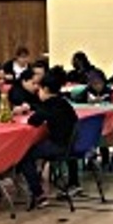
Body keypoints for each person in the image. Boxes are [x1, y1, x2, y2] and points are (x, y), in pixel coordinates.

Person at [19, 73, 80, 210]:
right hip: (70, 144)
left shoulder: (48, 105)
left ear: (45, 89)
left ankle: (38, 194)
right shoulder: (64, 103)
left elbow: (33, 121)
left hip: (58, 146)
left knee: (24, 155)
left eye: (39, 89)